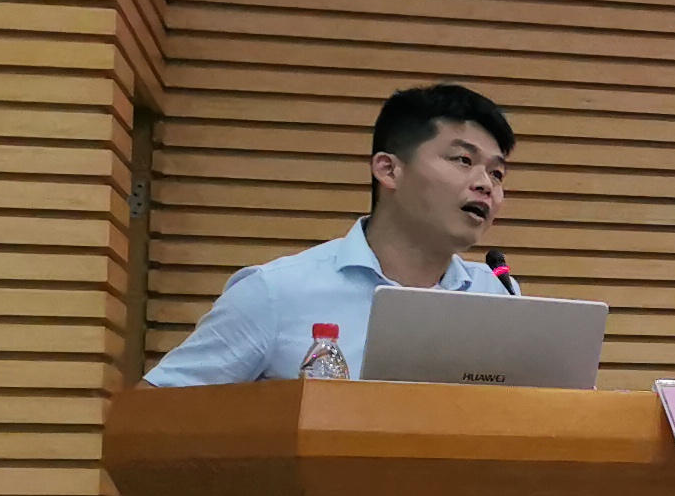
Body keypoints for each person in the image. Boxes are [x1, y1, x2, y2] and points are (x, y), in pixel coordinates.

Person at [143, 81, 523, 385]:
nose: (485, 185)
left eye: (497, 173)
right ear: (389, 170)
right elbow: (152, 415)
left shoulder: (498, 297)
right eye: (463, 160)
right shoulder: (276, 293)